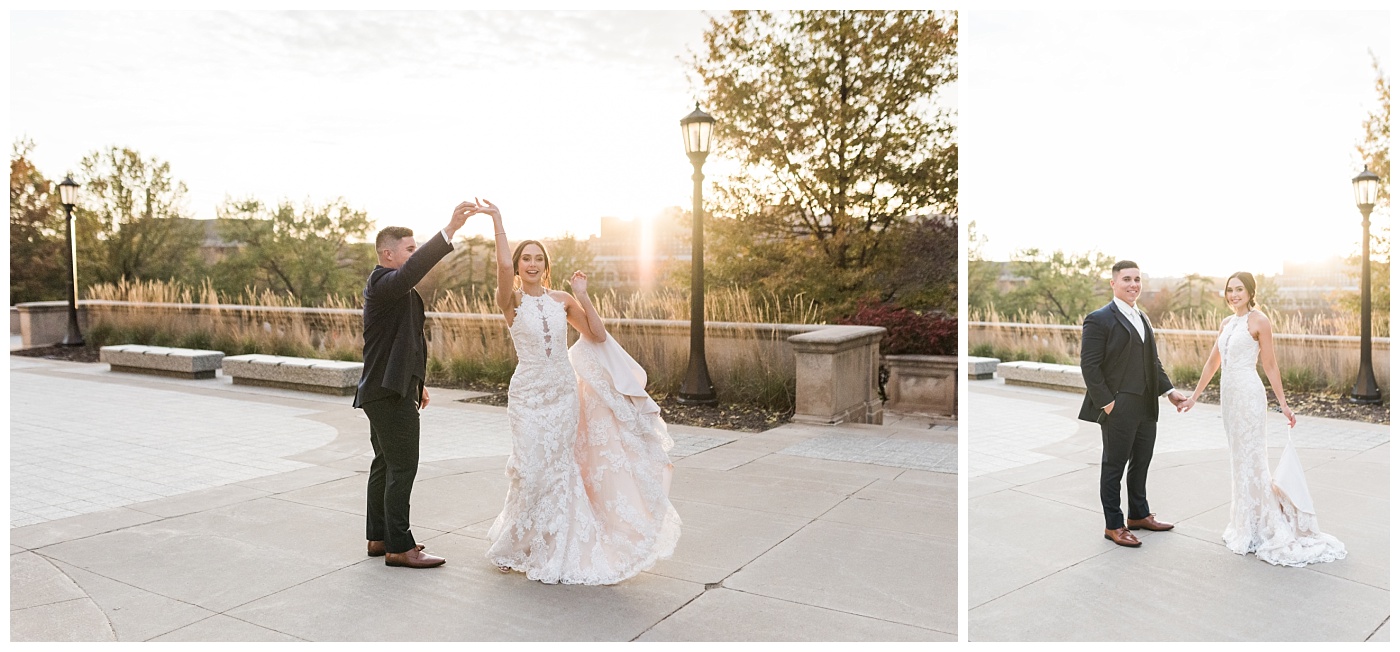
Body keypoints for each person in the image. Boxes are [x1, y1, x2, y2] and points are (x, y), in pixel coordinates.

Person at [474, 198, 681, 585]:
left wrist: (582, 293)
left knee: (558, 469)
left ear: (545, 266)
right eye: (525, 259)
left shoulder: (561, 301)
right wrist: (498, 220)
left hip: (562, 393)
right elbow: (500, 265)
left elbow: (597, 335)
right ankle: (515, 541)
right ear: (518, 268)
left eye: (538, 258)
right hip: (528, 395)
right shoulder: (511, 301)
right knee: (531, 469)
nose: (532, 264)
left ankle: (555, 543)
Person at [1179, 272, 1346, 566]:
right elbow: (1212, 362)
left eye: (1239, 289)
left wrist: (1283, 404)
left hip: (1249, 396)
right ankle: (1246, 523)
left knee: (1253, 460)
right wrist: (1194, 396)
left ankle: (1264, 527)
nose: (1233, 294)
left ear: (1250, 291)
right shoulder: (1226, 323)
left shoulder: (1259, 321)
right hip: (1229, 399)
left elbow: (1269, 364)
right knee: (1238, 460)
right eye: (1229, 290)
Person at [353, 202, 473, 569]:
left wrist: (417, 383)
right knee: (402, 467)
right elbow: (411, 273)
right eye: (409, 249)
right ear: (388, 254)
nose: (415, 254)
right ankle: (400, 547)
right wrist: (449, 230)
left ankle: (379, 538)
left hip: (387, 389)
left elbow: (409, 342)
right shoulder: (384, 283)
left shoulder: (396, 291)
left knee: (385, 465)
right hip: (388, 395)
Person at [1078, 260, 1188, 548]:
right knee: (1113, 466)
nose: (1133, 284)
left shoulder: (1143, 317)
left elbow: (1152, 361)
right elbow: (1089, 367)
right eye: (1127, 279)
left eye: (1137, 279)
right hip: (1119, 406)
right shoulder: (1098, 318)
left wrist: (1170, 392)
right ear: (1113, 283)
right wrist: (1108, 404)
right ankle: (1113, 524)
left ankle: (1138, 515)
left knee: (1141, 462)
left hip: (1147, 404)